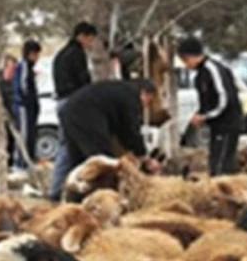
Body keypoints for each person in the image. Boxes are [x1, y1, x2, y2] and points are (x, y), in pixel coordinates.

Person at [57, 78, 158, 190]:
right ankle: (103, 192)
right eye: (149, 100)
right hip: (87, 116)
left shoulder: (120, 90)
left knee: (75, 158)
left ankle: (58, 191)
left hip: (70, 110)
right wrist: (142, 154)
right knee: (102, 161)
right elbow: (130, 129)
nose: (146, 106)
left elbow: (122, 131)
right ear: (144, 93)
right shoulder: (131, 97)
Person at [177, 37, 243, 176]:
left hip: (227, 123)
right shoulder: (200, 75)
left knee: (220, 166)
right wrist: (201, 115)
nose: (185, 65)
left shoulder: (212, 69)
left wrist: (205, 117)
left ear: (190, 56)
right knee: (217, 162)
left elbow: (224, 98)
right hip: (216, 125)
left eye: (185, 60)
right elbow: (207, 101)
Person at [49, 22, 98, 200]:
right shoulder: (77, 54)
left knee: (65, 146)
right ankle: (59, 190)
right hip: (73, 103)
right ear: (82, 36)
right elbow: (83, 81)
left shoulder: (61, 54)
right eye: (90, 39)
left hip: (62, 101)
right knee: (72, 147)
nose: (90, 43)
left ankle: (57, 187)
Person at [11, 39, 42, 169]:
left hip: (29, 106)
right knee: (24, 134)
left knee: (31, 134)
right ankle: (21, 162)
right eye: (35, 55)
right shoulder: (23, 66)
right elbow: (23, 87)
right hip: (23, 106)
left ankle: (28, 159)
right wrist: (28, 99)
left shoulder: (29, 68)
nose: (37, 58)